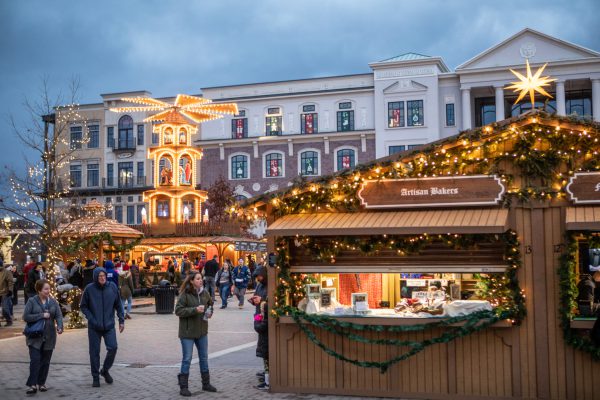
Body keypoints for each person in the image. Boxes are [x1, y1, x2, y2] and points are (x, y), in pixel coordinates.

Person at [80, 267, 125, 388]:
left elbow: (118, 305)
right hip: (94, 327)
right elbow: (83, 306)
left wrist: (121, 320)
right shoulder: (89, 289)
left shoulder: (112, 287)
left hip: (109, 325)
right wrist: (92, 318)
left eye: (104, 275)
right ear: (95, 277)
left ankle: (104, 370)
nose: (102, 278)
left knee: (113, 347)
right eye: (99, 276)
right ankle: (95, 377)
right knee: (94, 353)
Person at [175, 272, 216, 396]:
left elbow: (210, 305)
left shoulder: (205, 293)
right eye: (198, 279)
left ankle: (206, 383)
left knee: (204, 357)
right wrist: (194, 310)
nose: (201, 280)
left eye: (201, 278)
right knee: (187, 358)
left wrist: (210, 312)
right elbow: (178, 310)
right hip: (187, 332)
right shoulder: (185, 294)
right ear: (192, 281)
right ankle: (183, 386)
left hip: (202, 331)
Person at [22, 279, 63, 394]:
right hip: (34, 336)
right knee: (35, 360)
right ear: (39, 290)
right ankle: (32, 385)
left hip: (49, 336)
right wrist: (41, 315)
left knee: (45, 361)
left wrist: (60, 327)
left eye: (49, 288)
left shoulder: (53, 302)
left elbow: (59, 316)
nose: (48, 291)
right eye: (45, 289)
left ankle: (41, 383)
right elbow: (26, 317)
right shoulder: (32, 301)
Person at [250, 265, 269, 390]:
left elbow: (272, 301)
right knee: (264, 351)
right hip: (260, 319)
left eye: (260, 276)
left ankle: (268, 381)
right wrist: (253, 300)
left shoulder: (270, 285)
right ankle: (267, 377)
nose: (258, 279)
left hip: (266, 320)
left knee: (267, 352)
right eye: (257, 277)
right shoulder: (259, 285)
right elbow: (259, 298)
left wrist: (261, 300)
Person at [0, 260, 14, 326]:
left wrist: (10, 290)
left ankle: (9, 320)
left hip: (5, 293)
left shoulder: (6, 272)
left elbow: (10, 282)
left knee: (5, 309)